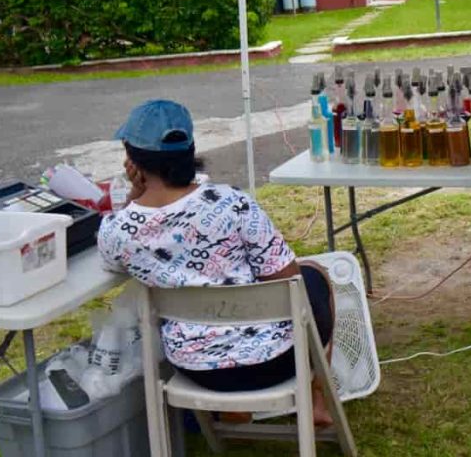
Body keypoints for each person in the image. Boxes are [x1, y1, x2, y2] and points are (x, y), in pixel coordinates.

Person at [97, 99, 334, 426]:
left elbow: (111, 261)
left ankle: (232, 410)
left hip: (197, 370)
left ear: (131, 160)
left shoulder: (119, 231)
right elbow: (288, 278)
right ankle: (315, 398)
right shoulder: (233, 203)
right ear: (190, 150)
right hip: (275, 361)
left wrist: (134, 197)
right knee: (313, 277)